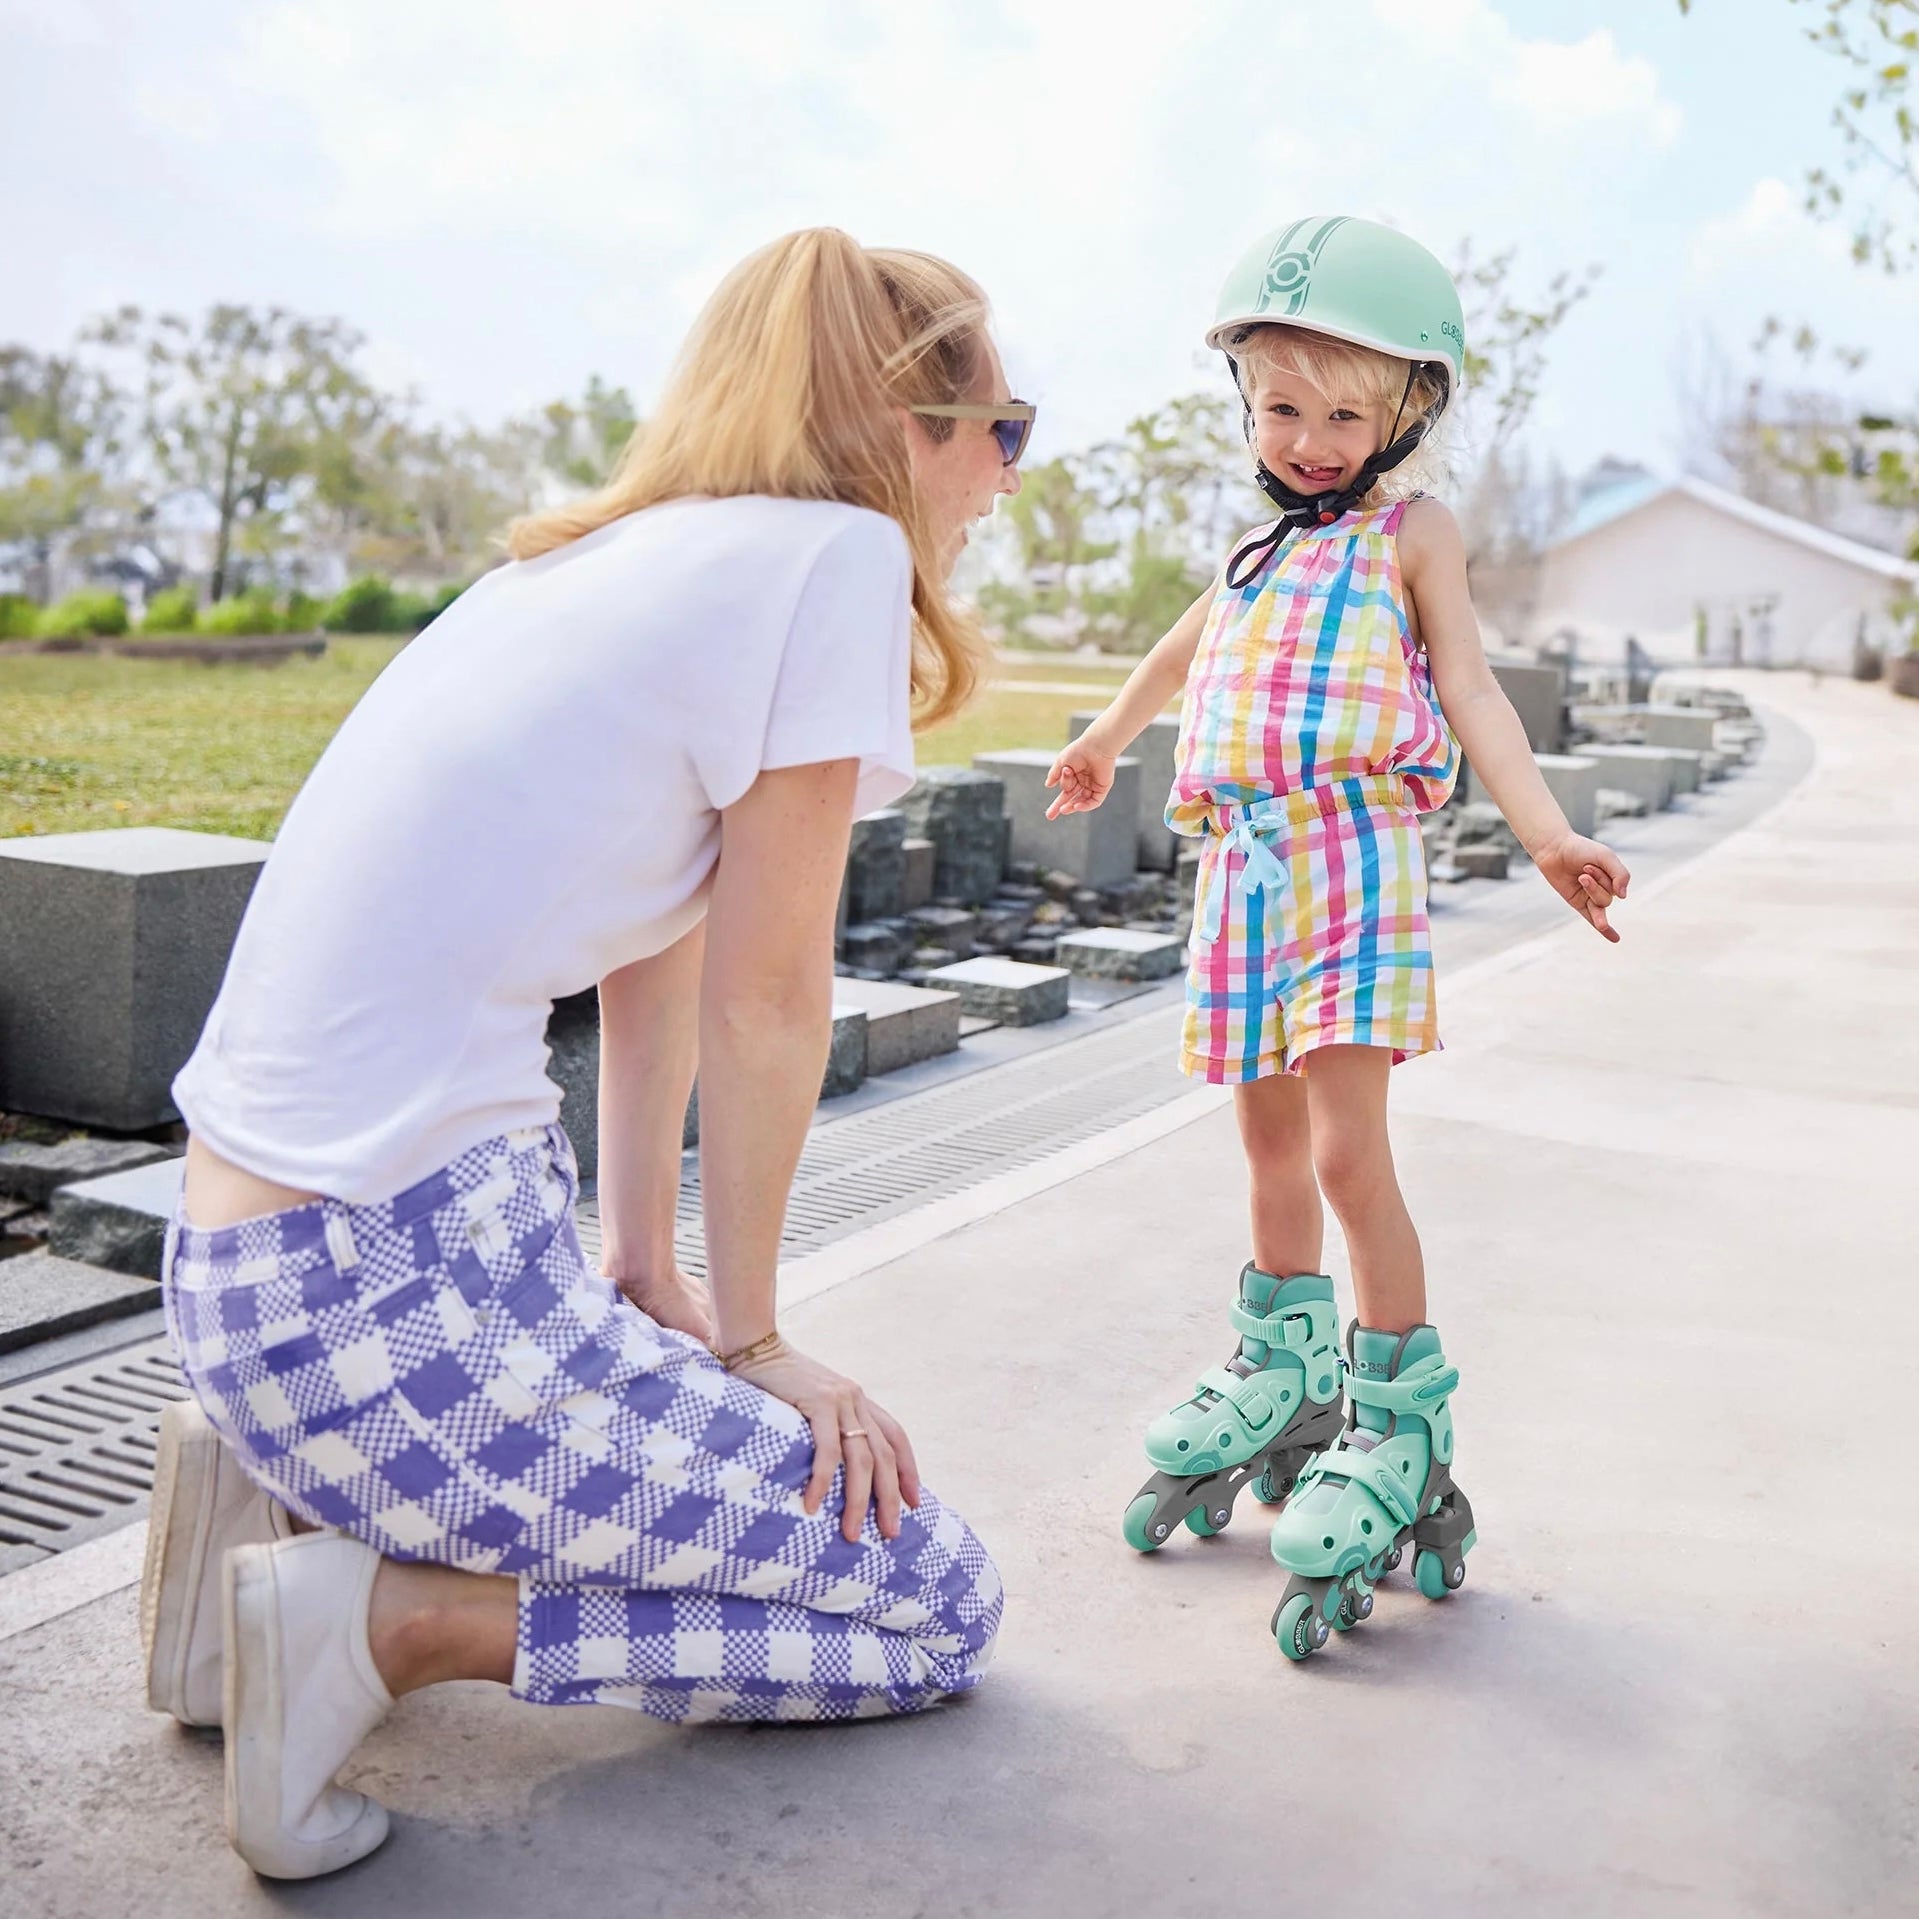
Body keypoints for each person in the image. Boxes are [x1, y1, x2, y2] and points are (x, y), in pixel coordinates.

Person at [142, 228, 1032, 1878]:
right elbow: (771, 1001)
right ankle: (383, 1622)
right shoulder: (835, 559)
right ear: (899, 428)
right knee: (931, 1601)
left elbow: (652, 958)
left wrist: (641, 1261)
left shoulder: (592, 568)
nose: (1005, 479)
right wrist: (759, 1342)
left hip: (240, 1286)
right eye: (1003, 429)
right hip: (389, 1305)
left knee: (738, 1470)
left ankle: (257, 1512)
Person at [1045, 215, 1630, 1659]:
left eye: (1344, 416)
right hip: (1239, 869)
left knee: (1347, 1154)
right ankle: (1285, 1368)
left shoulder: (1410, 536)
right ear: (1246, 405)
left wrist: (1547, 834)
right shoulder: (1251, 549)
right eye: (1283, 409)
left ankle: (1394, 1415)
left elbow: (1472, 691)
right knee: (1263, 1146)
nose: (1310, 441)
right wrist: (1106, 736)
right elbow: (1184, 648)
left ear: (1406, 416)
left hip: (1352, 860)